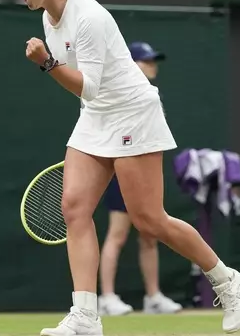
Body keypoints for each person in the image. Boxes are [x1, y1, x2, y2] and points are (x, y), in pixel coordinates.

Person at [2, 0, 240, 335]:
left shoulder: (90, 18)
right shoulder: (51, 19)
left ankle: (226, 279)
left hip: (133, 112)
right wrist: (51, 63)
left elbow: (89, 86)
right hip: (97, 116)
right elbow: (89, 96)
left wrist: (46, 63)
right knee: (74, 208)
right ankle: (85, 316)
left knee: (149, 220)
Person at [98, 41, 182, 316]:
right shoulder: (119, 93)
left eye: (152, 60)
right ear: (131, 64)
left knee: (150, 234)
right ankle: (107, 298)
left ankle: (153, 297)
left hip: (144, 169)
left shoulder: (147, 95)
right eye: (146, 61)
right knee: (118, 235)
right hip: (121, 169)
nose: (152, 65)